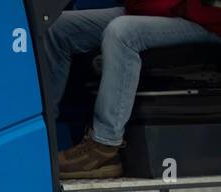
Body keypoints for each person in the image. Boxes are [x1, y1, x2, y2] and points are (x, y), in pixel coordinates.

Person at [46, 1, 221, 179]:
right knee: (56, 28)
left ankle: (104, 146)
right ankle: (41, 135)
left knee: (122, 32)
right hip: (160, 10)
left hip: (204, 21)